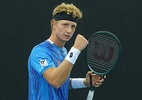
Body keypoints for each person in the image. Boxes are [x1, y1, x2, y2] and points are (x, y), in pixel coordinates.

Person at [28, 2, 106, 100]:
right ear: (54, 24)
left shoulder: (64, 52)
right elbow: (55, 81)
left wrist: (85, 82)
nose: (69, 31)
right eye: (65, 25)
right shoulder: (40, 51)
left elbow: (62, 82)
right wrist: (76, 49)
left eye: (73, 26)